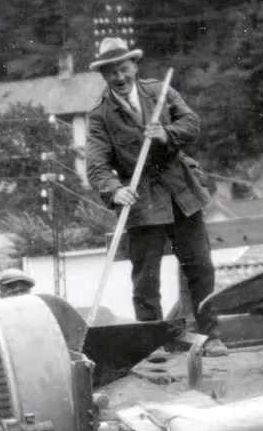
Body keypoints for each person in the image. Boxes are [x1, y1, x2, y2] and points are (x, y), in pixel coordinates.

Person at [84, 37, 227, 356]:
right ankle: (152, 343)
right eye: (111, 73)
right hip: (142, 198)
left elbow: (192, 123)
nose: (119, 78)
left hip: (181, 192)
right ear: (104, 76)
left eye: (123, 69)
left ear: (134, 66)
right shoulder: (100, 116)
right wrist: (114, 189)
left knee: (200, 267)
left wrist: (166, 134)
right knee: (146, 278)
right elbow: (96, 164)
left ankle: (211, 335)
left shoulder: (160, 92)